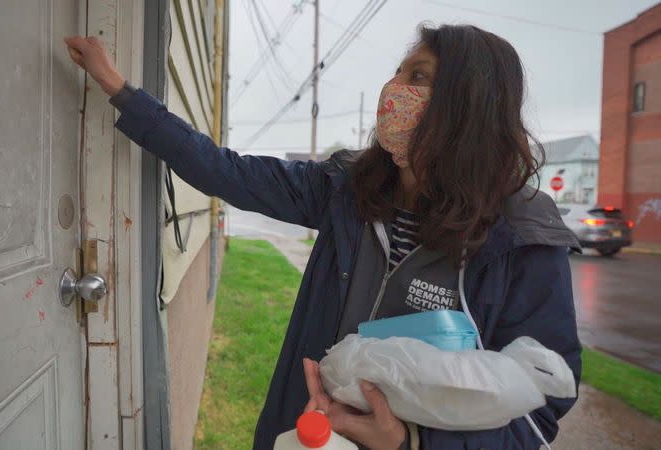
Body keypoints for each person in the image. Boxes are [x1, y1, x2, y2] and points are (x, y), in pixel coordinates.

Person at [65, 23, 581, 450]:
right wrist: (118, 88)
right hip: (308, 431)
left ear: (467, 104)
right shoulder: (346, 189)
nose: (393, 90)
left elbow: (542, 408)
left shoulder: (522, 238)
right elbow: (227, 171)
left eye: (417, 77)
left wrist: (412, 441)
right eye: (398, 72)